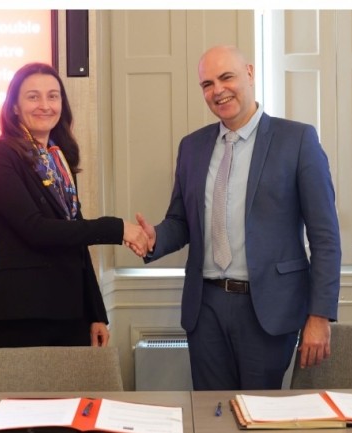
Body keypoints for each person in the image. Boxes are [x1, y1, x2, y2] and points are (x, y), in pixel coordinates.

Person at [135, 45, 341, 390]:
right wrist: (154, 238)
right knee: (211, 415)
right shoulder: (192, 147)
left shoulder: (298, 140)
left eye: (226, 77)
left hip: (268, 309)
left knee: (260, 417)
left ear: (249, 73)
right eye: (207, 84)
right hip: (206, 309)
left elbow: (325, 237)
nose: (217, 90)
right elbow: (181, 222)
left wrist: (319, 315)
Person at [0, 62, 149, 369]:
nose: (45, 105)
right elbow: (35, 229)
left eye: (53, 96)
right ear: (14, 107)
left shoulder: (59, 159)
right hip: (22, 314)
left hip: (70, 314)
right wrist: (117, 228)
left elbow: (75, 238)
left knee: (71, 414)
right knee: (21, 415)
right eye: (33, 97)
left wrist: (95, 313)